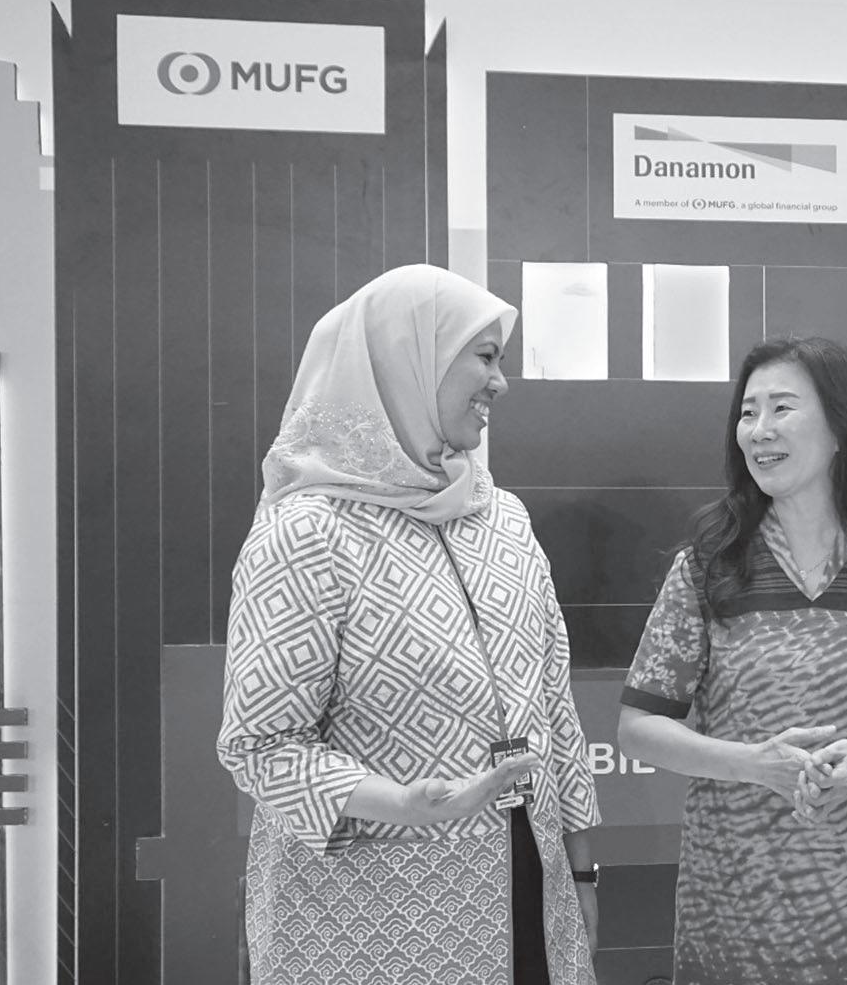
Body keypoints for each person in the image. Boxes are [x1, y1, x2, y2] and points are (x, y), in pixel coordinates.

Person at [217, 264, 600, 985]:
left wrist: (582, 874)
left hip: (531, 893)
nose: (500, 382)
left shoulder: (502, 517)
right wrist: (400, 802)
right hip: (365, 921)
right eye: (484, 356)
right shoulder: (307, 531)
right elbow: (260, 747)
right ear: (409, 359)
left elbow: (556, 708)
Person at [616, 335, 847, 985]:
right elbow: (639, 727)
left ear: (842, 428)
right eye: (748, 412)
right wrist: (755, 763)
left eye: (782, 408)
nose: (759, 430)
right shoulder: (707, 568)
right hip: (734, 910)